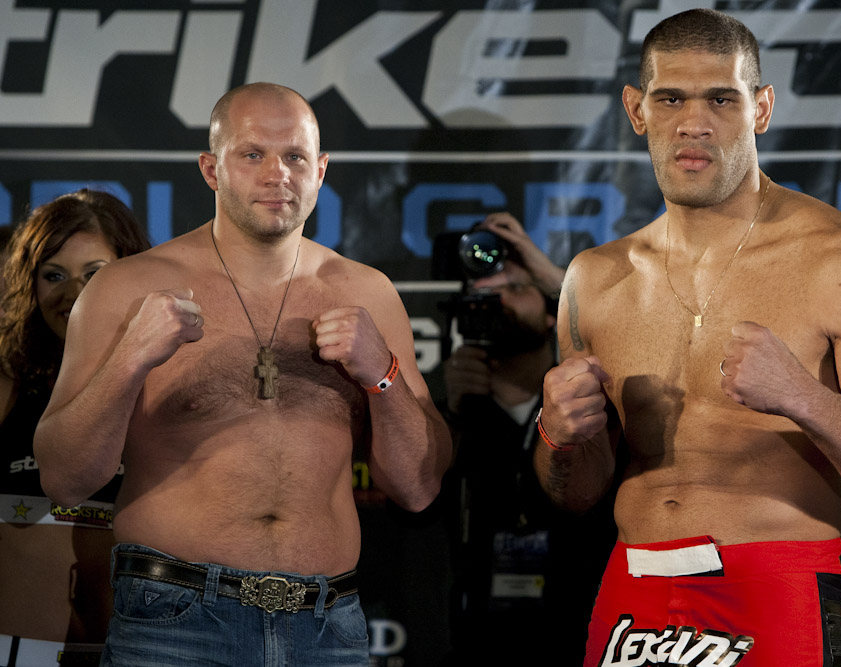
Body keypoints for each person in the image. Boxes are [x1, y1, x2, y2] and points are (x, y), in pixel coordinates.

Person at [532, 9, 841, 667]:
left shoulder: (839, 260)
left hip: (774, 590)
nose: (694, 122)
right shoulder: (595, 279)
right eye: (671, 99)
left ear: (762, 108)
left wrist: (803, 397)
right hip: (632, 594)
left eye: (721, 99)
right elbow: (576, 494)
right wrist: (557, 436)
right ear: (637, 110)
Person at [33, 82, 451, 667]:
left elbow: (417, 487)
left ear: (321, 171)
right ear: (212, 169)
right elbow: (64, 479)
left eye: (295, 156)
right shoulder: (127, 289)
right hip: (174, 622)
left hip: (327, 627)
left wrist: (382, 373)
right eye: (253, 154)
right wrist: (131, 356)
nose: (277, 174)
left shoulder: (368, 294)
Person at [441, 213, 617, 664]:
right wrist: (455, 417)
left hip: (577, 624)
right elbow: (417, 512)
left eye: (517, 288)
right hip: (476, 636)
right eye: (486, 294)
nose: (500, 300)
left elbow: (623, 329)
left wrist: (557, 279)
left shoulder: (588, 406)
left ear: (552, 316)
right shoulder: (455, 412)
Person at [0, 189, 150, 665]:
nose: (74, 293)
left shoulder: (167, 387)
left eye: (95, 274)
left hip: (143, 650)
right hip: (18, 651)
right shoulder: (7, 385)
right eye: (54, 275)